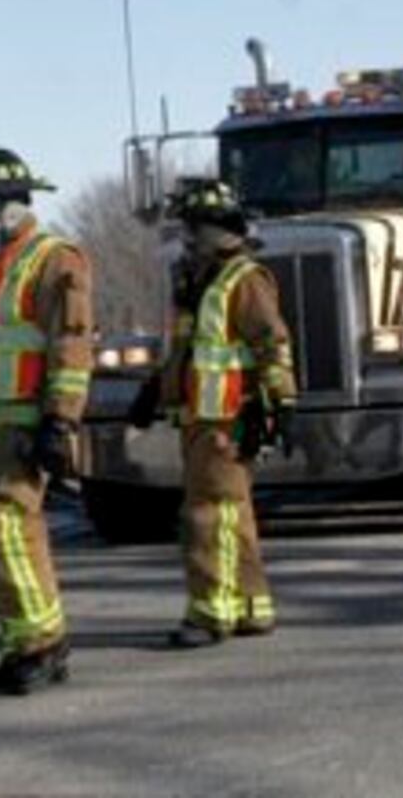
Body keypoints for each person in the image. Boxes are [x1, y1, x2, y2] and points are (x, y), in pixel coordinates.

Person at [0, 145, 94, 695]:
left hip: (25, 418)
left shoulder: (54, 258)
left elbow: (71, 343)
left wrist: (60, 420)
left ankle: (42, 645)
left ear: (11, 206)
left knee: (8, 527)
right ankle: (24, 644)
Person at [130, 178, 295, 648]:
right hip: (201, 417)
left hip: (226, 417)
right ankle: (250, 605)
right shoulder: (198, 285)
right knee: (233, 514)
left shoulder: (243, 281)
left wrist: (280, 402)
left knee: (206, 514)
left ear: (213, 230)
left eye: (191, 229)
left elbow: (272, 343)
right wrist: (154, 391)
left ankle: (209, 612)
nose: (184, 239)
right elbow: (187, 352)